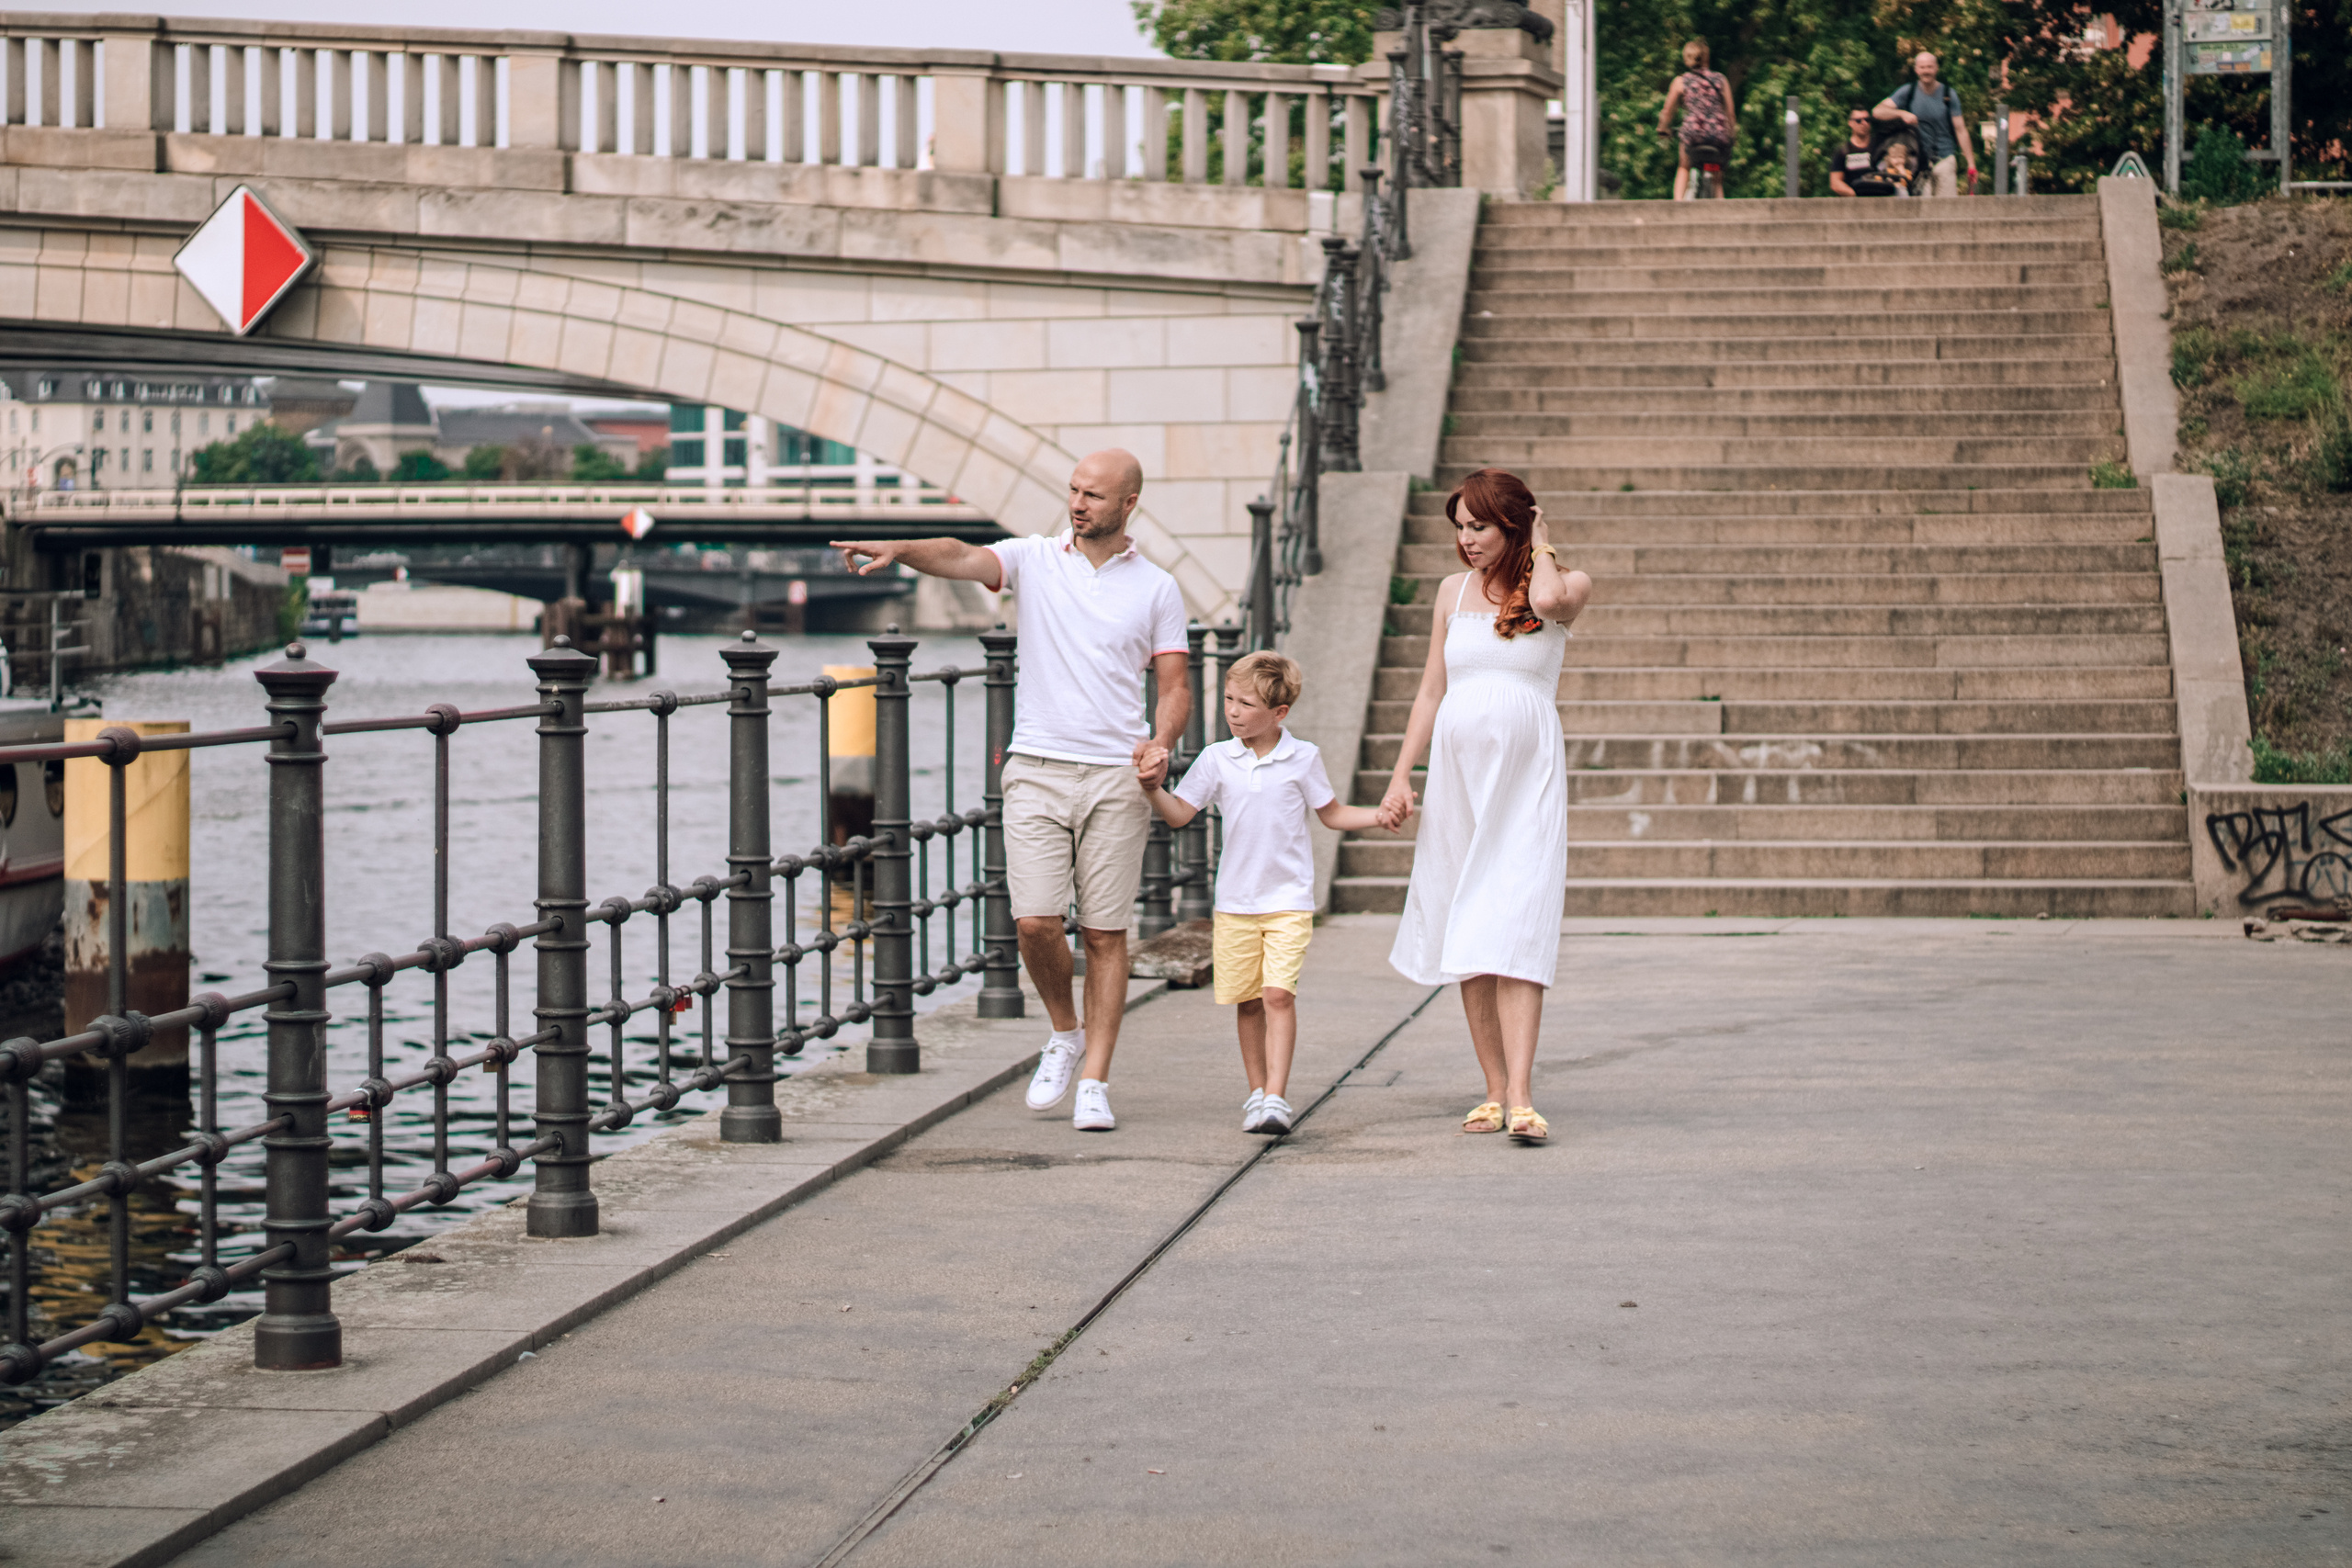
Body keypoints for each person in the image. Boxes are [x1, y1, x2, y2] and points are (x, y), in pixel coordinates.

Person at [831, 449, 1190, 1134]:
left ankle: (1095, 1080)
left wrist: (1162, 742)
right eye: (1074, 490)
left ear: (1128, 504)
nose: (1078, 503)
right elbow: (960, 554)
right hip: (1037, 767)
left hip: (1116, 774)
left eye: (1094, 495)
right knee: (1034, 921)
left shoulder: (1157, 588)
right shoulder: (1035, 559)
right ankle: (1065, 1031)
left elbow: (1174, 685)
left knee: (1106, 933)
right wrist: (900, 549)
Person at [1378, 468, 1590, 1146]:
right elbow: (1430, 690)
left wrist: (1542, 541)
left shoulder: (1567, 583)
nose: (1466, 540)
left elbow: (1549, 600)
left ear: (1516, 524)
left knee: (1519, 922)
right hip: (1458, 780)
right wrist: (1400, 775)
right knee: (1466, 921)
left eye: (1480, 526)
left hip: (1527, 780)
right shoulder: (1451, 591)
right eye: (1460, 528)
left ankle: (1523, 1096)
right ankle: (1495, 1089)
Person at [1137, 651, 1396, 1137]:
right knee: (1249, 1001)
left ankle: (1276, 1096)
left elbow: (1332, 814)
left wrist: (1378, 817)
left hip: (1288, 901)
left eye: (1246, 704)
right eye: (1229, 700)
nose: (1233, 712)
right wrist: (1153, 788)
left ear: (1279, 713)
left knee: (1277, 994)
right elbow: (1179, 815)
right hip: (1236, 903)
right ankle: (1257, 1093)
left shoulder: (1303, 757)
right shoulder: (1217, 758)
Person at [1872, 51, 1976, 198]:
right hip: (1918, 162)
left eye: (1929, 67)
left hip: (1945, 157)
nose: (1926, 71)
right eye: (1922, 67)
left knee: (1947, 206)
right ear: (1916, 70)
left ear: (1936, 68)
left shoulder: (1948, 94)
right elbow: (1877, 111)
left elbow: (1961, 130)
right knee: (1922, 206)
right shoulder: (1908, 92)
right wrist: (1901, 113)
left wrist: (1971, 164)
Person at [1656, 39, 1735, 201]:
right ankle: (1721, 206)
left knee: (1684, 166)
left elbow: (1667, 111)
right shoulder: (1721, 80)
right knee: (1717, 177)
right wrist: (1731, 135)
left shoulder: (1680, 81)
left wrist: (1663, 129)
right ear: (1706, 57)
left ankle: (1678, 204)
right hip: (1717, 135)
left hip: (1693, 134)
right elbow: (1730, 113)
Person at [1828, 108, 1879, 197]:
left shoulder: (1878, 147)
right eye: (1858, 121)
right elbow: (1835, 183)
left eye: (1867, 120)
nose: (1864, 123)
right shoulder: (1843, 151)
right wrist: (1854, 196)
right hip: (1853, 200)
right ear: (1850, 123)